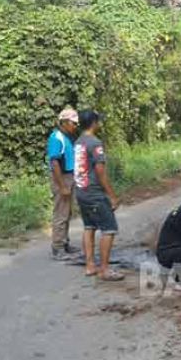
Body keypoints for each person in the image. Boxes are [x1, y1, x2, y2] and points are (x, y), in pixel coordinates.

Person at [74, 110, 124, 281]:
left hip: (81, 191)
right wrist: (112, 195)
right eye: (98, 121)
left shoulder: (78, 142)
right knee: (109, 229)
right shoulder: (95, 143)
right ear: (94, 123)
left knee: (89, 227)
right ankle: (104, 269)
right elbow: (100, 171)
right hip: (94, 193)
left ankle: (90, 265)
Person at [46, 108, 81, 260]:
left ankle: (65, 243)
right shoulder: (57, 137)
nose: (75, 126)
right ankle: (58, 247)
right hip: (61, 178)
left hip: (69, 176)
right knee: (60, 213)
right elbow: (54, 163)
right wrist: (62, 186)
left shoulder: (67, 137)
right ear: (65, 122)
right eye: (73, 123)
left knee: (67, 212)